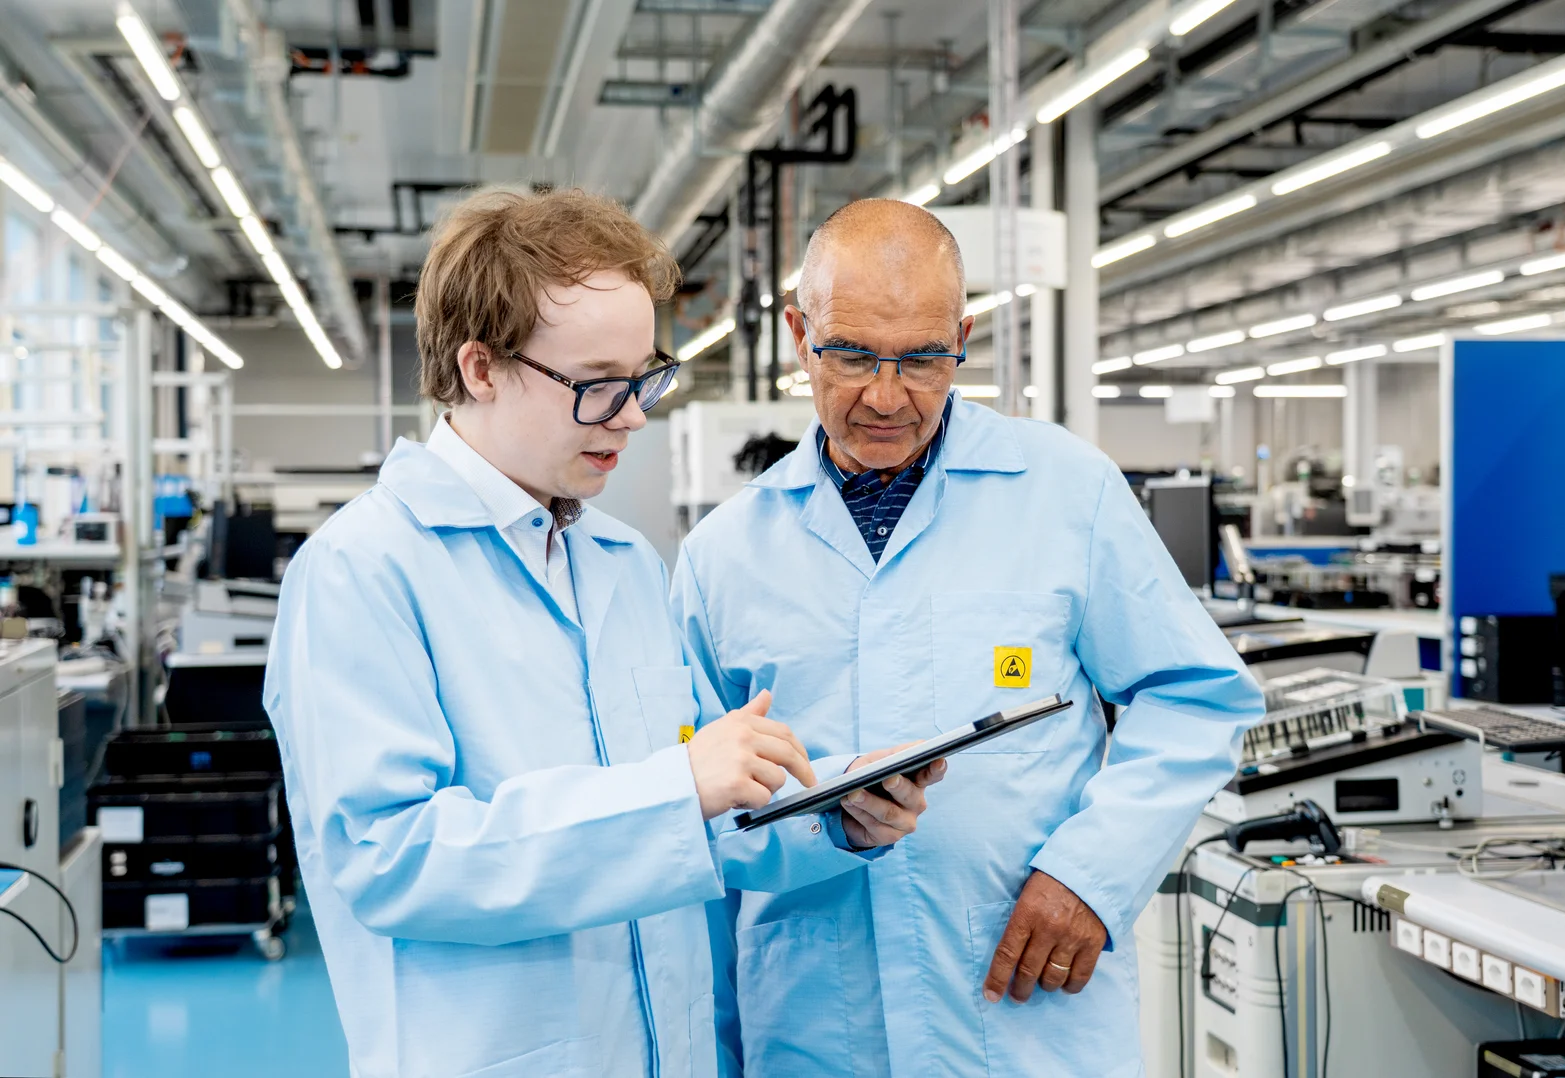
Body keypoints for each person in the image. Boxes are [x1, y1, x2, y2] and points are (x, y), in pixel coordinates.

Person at [264, 187, 941, 1078]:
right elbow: (390, 858)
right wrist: (676, 791)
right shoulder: (365, 570)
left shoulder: (621, 563)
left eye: (642, 378)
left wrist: (836, 814)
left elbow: (708, 813)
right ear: (480, 368)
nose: (632, 415)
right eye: (597, 386)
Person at [672, 198, 1266, 1077]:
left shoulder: (1065, 492)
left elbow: (1194, 694)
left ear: (964, 338)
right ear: (800, 335)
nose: (885, 395)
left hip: (1023, 1019)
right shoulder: (722, 558)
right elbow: (688, 820)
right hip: (814, 1028)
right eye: (851, 356)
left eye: (921, 358)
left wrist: (1089, 877)